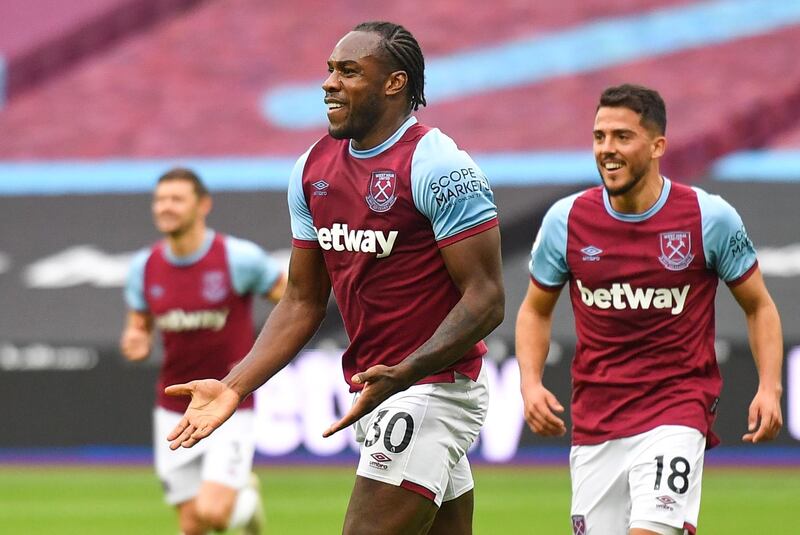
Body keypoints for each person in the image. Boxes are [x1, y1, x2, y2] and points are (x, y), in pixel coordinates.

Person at [164, 21, 504, 535]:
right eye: (329, 70)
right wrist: (235, 386)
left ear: (394, 83)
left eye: (348, 71)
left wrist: (407, 370)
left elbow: (487, 298)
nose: (329, 83)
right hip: (378, 388)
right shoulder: (312, 169)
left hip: (432, 387)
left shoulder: (439, 166)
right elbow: (302, 300)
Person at [515, 84, 784, 535]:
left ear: (658, 145)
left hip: (677, 411)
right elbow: (534, 310)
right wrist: (529, 383)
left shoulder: (708, 218)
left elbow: (759, 306)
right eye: (600, 136)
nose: (607, 149)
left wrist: (770, 387)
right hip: (596, 422)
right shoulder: (567, 220)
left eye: (622, 136)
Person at [120, 167, 286, 535]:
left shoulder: (237, 258)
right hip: (172, 407)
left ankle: (246, 500)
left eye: (177, 199)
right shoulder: (144, 267)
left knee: (214, 513)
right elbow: (138, 323)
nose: (166, 207)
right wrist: (136, 337)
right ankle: (242, 501)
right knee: (192, 524)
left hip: (228, 402)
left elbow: (294, 300)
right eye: (160, 199)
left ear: (203, 205)